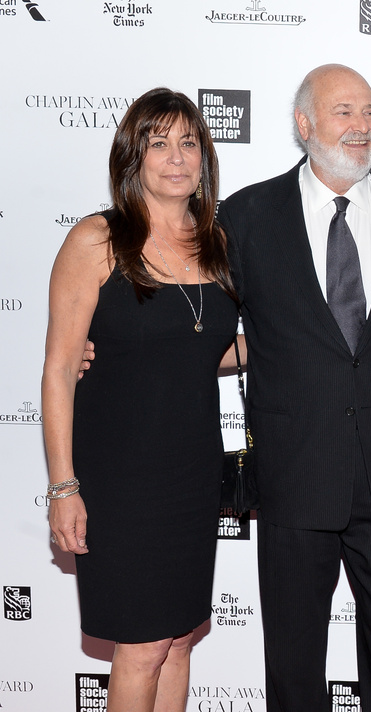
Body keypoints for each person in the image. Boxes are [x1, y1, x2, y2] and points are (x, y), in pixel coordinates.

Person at [217, 64, 371, 712]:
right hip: (294, 470)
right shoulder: (247, 215)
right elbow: (202, 321)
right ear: (304, 123)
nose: (362, 125)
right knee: (293, 658)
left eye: (370, 111)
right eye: (344, 111)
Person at [41, 88, 238, 712]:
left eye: (189, 143)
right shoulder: (96, 240)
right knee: (144, 645)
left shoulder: (218, 243)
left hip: (192, 474)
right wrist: (63, 487)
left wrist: (307, 342)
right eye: (159, 143)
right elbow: (60, 369)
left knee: (178, 641)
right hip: (120, 480)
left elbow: (201, 349)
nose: (177, 157)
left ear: (204, 158)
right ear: (133, 156)